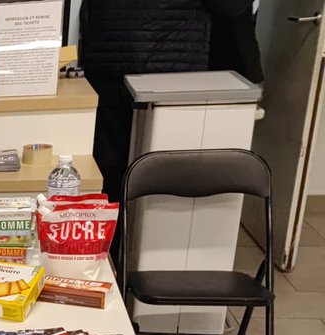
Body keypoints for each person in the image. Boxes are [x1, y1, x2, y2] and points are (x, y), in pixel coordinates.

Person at [80, 0, 261, 202]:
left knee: (111, 167)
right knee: (169, 177)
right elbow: (229, 7)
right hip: (171, 70)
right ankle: (150, 232)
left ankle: (114, 231)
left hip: (108, 57)